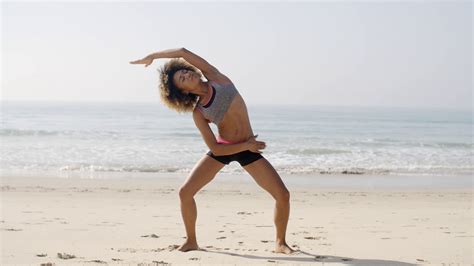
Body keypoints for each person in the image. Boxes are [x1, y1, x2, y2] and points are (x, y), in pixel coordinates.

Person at [130, 48, 294, 254]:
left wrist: (153, 56)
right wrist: (247, 146)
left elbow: (182, 52)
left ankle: (280, 243)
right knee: (185, 192)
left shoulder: (218, 79)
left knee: (283, 195)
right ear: (183, 91)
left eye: (185, 71)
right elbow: (215, 148)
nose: (187, 74)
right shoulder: (199, 112)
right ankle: (191, 241)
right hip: (226, 148)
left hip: (247, 149)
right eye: (182, 78)